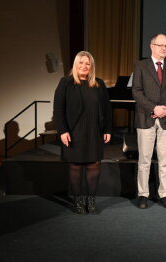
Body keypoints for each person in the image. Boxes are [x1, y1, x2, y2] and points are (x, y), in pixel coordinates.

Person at [53, 51, 112, 214]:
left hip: (94, 131)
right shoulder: (66, 82)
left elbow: (107, 108)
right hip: (74, 131)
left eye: (88, 63)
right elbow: (58, 109)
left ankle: (91, 201)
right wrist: (62, 131)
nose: (84, 66)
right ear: (76, 65)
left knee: (94, 164)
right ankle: (78, 201)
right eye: (81, 63)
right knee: (76, 166)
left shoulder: (99, 84)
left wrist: (107, 129)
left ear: (91, 66)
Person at [132, 34, 166, 209]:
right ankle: (143, 194)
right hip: (146, 117)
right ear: (151, 46)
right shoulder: (141, 66)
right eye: (160, 45)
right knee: (144, 160)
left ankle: (164, 194)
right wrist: (154, 108)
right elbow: (137, 92)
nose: (164, 49)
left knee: (165, 160)